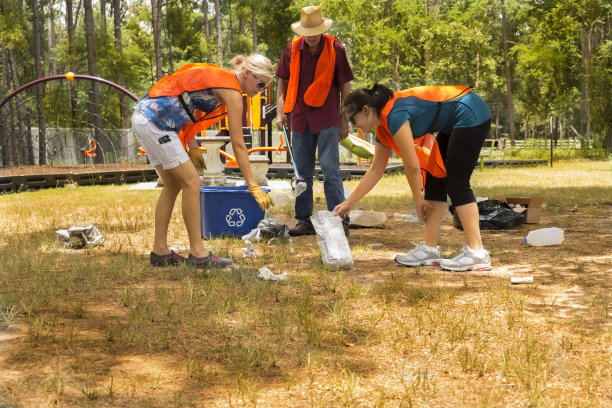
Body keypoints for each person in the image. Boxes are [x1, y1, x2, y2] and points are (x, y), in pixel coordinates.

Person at [132, 54, 275, 268]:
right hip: (157, 123)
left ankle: (159, 251)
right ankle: (198, 253)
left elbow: (188, 108)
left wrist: (193, 146)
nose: (260, 90)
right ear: (247, 74)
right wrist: (252, 185)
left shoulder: (220, 78)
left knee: (173, 184)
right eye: (260, 84)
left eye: (265, 87)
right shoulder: (233, 92)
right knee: (193, 182)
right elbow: (238, 144)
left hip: (144, 117)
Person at [333, 84, 493, 271]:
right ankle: (429, 249)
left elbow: (412, 165)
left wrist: (418, 201)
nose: (353, 125)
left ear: (366, 110)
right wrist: (349, 202)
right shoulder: (382, 128)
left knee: (456, 181)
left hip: (470, 111)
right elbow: (376, 170)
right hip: (454, 121)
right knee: (435, 177)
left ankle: (477, 253)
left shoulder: (394, 114)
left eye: (353, 119)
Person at [275, 5, 354, 236]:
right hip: (299, 118)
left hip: (328, 117)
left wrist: (344, 118)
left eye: (314, 32)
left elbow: (345, 85)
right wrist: (281, 111)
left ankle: (339, 219)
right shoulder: (292, 48)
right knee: (302, 173)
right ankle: (304, 220)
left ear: (322, 30)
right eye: (306, 33)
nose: (310, 38)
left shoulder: (335, 47)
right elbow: (282, 81)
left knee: (331, 169)